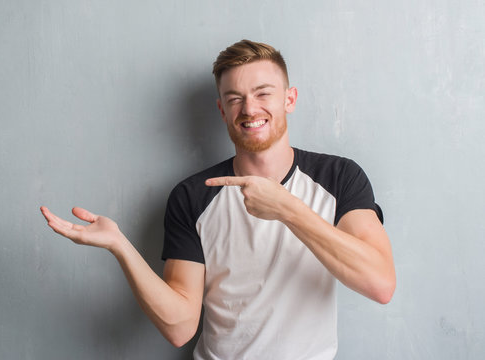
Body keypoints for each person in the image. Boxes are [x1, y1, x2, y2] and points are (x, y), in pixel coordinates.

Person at [40, 39, 396, 359]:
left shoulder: (340, 177)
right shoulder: (192, 196)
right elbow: (179, 328)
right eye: (234, 99)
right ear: (222, 111)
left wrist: (288, 209)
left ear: (290, 99)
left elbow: (380, 284)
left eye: (263, 93)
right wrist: (120, 246)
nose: (249, 108)